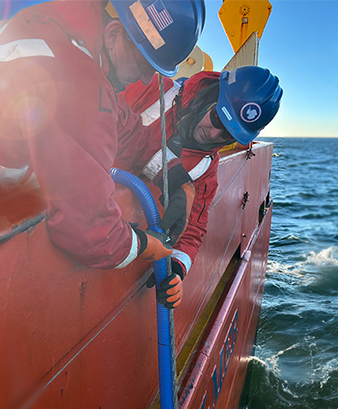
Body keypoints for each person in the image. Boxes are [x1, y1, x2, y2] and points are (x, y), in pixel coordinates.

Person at [0, 0, 205, 271]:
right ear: (114, 34)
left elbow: (122, 127)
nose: (144, 78)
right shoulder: (75, 74)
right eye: (142, 63)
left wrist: (177, 178)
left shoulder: (68, 29)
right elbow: (89, 231)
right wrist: (143, 245)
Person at [119, 65, 282, 308]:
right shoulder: (150, 89)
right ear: (210, 96)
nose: (214, 135)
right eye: (217, 117)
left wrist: (177, 267)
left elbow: (195, 226)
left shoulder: (206, 167)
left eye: (228, 134)